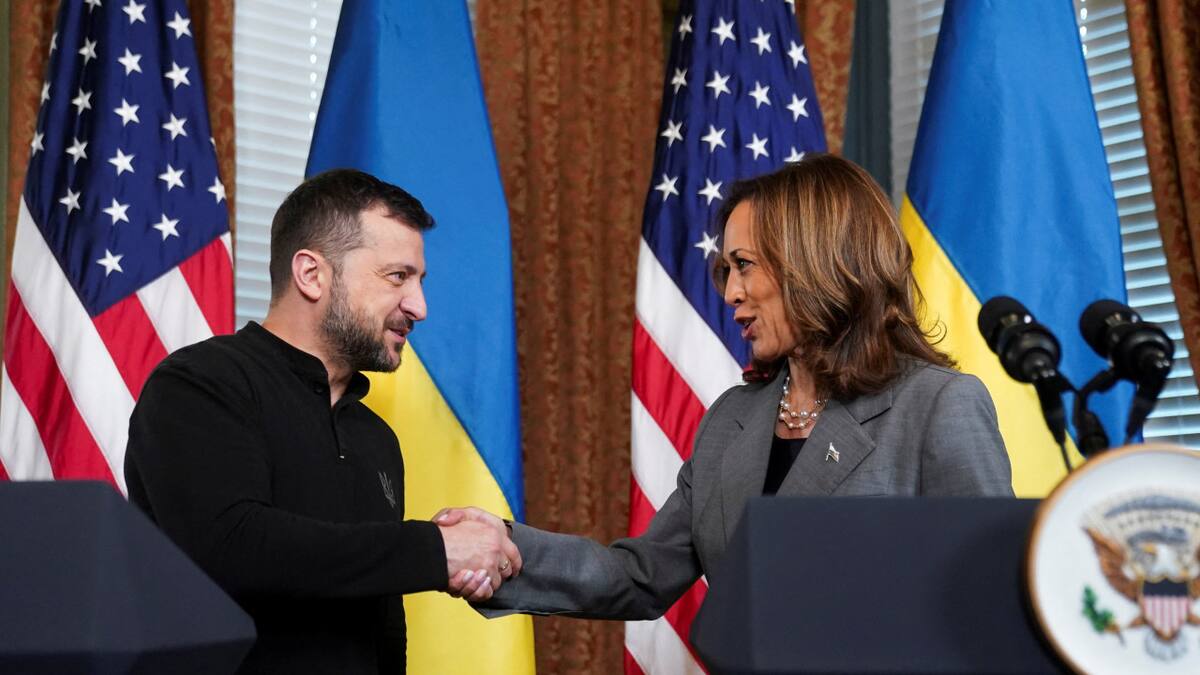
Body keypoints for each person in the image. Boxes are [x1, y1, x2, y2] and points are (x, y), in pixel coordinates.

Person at [441, 154, 1013, 618]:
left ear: (815, 262)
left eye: (745, 265)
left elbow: (991, 598)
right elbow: (641, 575)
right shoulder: (731, 420)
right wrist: (508, 549)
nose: (730, 292)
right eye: (727, 271)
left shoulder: (937, 405)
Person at [125, 169, 519, 674]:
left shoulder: (376, 437)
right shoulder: (200, 383)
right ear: (312, 274)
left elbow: (380, 617)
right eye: (397, 277)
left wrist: (470, 549)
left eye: (419, 281)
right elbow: (231, 546)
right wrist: (435, 549)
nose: (419, 306)